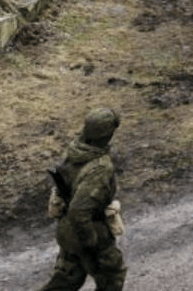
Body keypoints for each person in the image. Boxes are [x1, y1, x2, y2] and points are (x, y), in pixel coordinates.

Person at [39, 107, 127, 291]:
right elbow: (79, 211)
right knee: (112, 276)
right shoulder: (100, 168)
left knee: (66, 279)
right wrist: (91, 243)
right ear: (107, 134)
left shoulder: (75, 149)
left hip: (66, 230)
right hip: (88, 230)